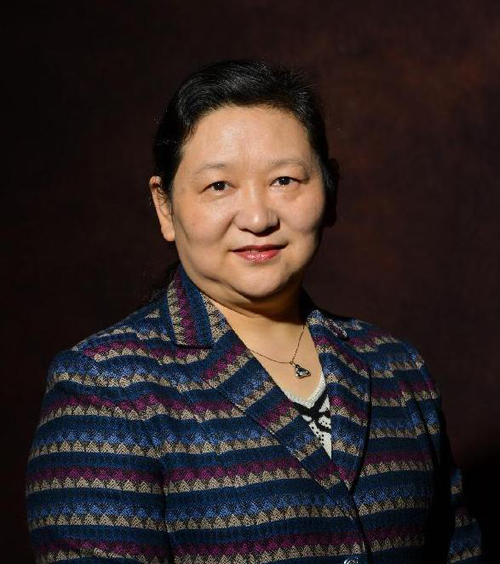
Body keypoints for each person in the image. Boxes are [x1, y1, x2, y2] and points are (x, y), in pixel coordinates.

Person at [25, 59, 482, 563]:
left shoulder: (398, 369)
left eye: (284, 180)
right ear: (165, 207)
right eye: (219, 186)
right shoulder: (105, 388)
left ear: (330, 191)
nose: (259, 218)